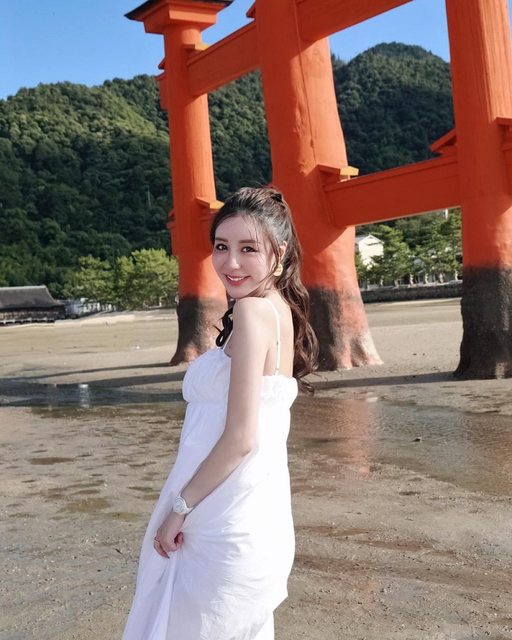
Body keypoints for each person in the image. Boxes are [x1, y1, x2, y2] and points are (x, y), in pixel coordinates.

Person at [122, 186, 318, 640]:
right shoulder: (278, 310)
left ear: (279, 252)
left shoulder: (252, 313)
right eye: (221, 246)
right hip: (249, 509)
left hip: (220, 515)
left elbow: (240, 438)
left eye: (248, 249)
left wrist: (179, 508)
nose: (230, 262)